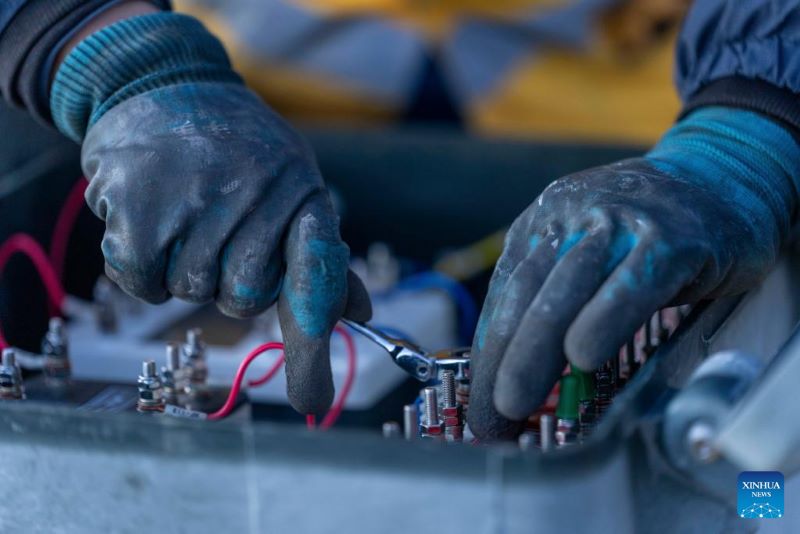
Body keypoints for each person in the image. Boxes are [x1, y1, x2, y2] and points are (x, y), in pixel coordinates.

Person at [0, 0, 797, 440]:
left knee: (762, 487)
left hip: (660, 120)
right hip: (244, 96)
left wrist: (753, 122)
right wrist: (98, 42)